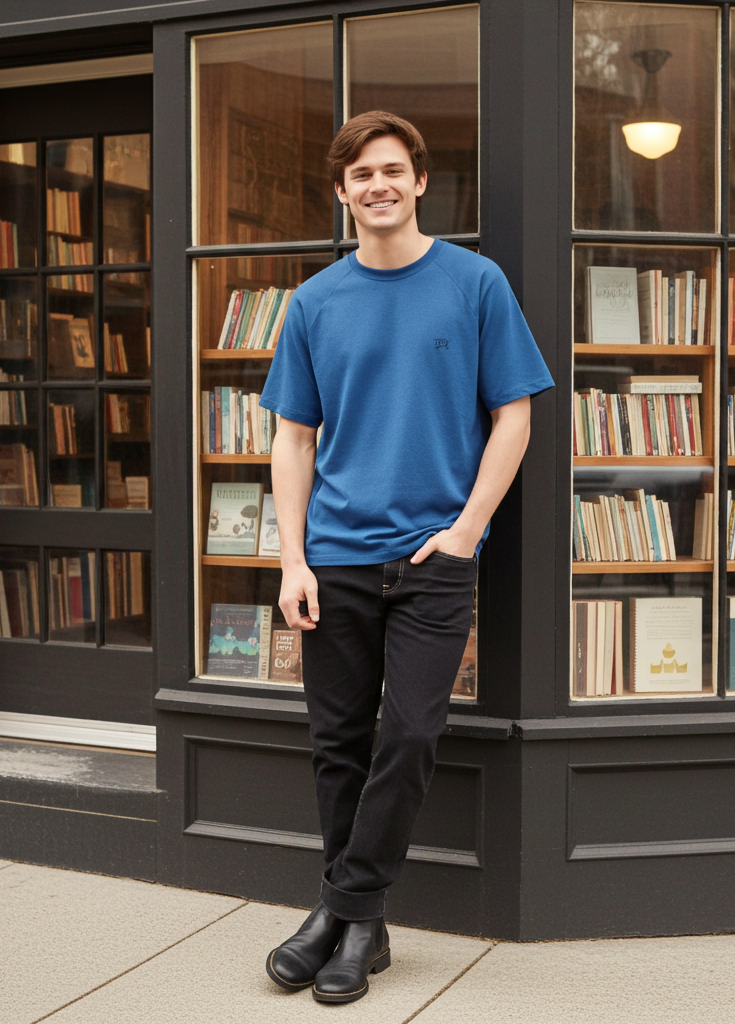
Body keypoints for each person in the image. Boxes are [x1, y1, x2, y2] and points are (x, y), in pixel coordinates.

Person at [260, 110, 553, 1004]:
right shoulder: (315, 302)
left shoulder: (475, 283)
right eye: (361, 174)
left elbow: (515, 415)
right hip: (335, 560)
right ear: (341, 192)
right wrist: (293, 561)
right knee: (338, 745)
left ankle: (340, 910)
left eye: (392, 170)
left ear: (421, 181)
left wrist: (466, 532)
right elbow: (292, 439)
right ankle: (363, 928)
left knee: (413, 733)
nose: (378, 185)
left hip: (435, 560)